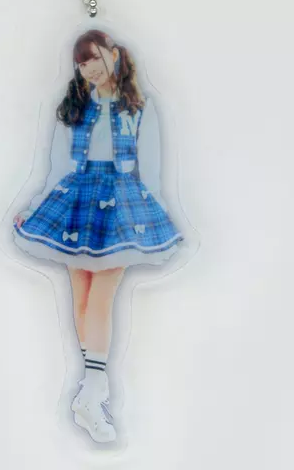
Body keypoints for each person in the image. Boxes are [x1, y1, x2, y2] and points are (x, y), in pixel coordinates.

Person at [12, 29, 183, 443]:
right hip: (78, 196)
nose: (88, 68)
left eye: (93, 57)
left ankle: (91, 390)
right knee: (83, 296)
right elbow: (57, 165)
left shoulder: (139, 106)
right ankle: (92, 393)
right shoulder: (74, 105)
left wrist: (155, 212)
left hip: (121, 201)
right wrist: (34, 207)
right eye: (81, 62)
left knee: (102, 296)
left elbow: (151, 166)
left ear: (113, 54)